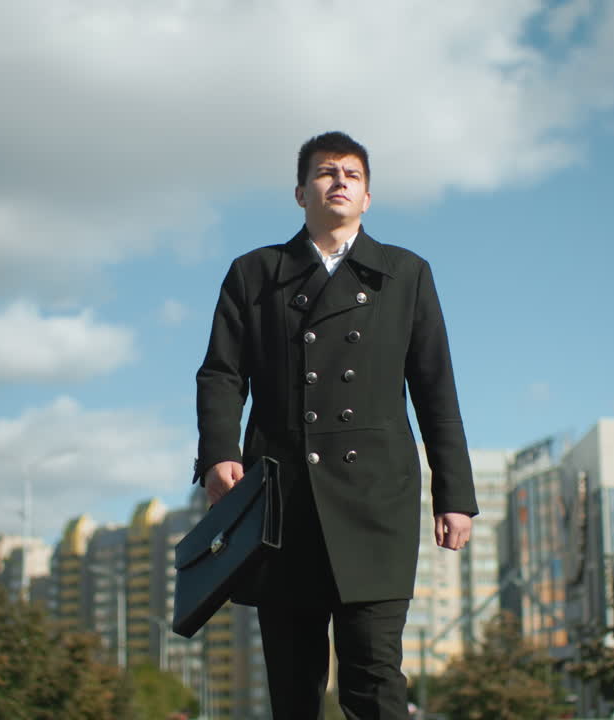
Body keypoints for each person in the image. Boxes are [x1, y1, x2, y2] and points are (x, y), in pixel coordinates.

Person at [195, 131, 478, 720]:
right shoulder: (254, 274)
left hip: (375, 503)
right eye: (326, 172)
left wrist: (454, 496)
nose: (339, 181)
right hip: (282, 503)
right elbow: (222, 372)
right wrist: (220, 450)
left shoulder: (407, 274)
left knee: (374, 678)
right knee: (294, 688)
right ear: (301, 193)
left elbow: (435, 390)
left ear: (368, 196)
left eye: (351, 174)